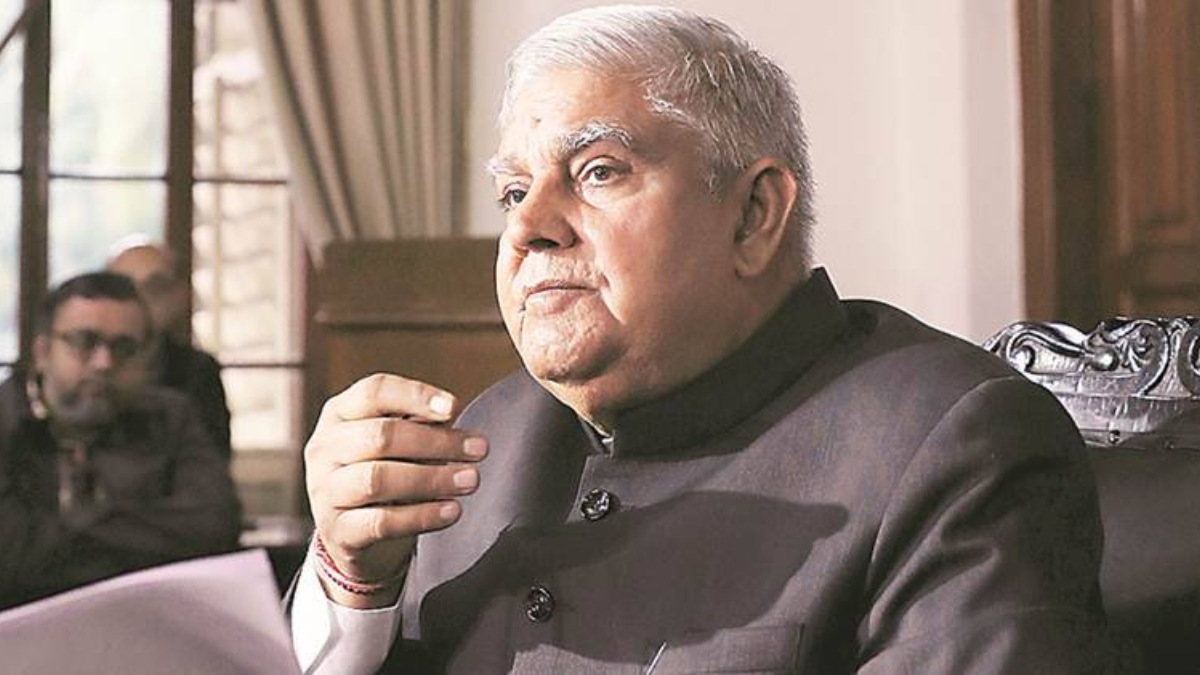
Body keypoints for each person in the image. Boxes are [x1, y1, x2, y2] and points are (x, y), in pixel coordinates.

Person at [291, 6, 1112, 673]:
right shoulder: (487, 434)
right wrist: (356, 582)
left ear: (753, 215)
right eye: (513, 191)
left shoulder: (955, 443)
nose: (528, 226)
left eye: (598, 171)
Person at [0, 272, 241, 610]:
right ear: (42, 352)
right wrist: (136, 535)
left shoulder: (171, 417)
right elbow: (8, 554)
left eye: (124, 348)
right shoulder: (5, 418)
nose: (104, 363)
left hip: (148, 619)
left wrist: (58, 535)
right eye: (84, 342)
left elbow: (214, 527)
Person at [107, 239, 232, 459]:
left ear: (180, 296)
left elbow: (211, 458)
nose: (141, 300)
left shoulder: (197, 369)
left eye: (155, 288)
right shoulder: (88, 362)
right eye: (125, 289)